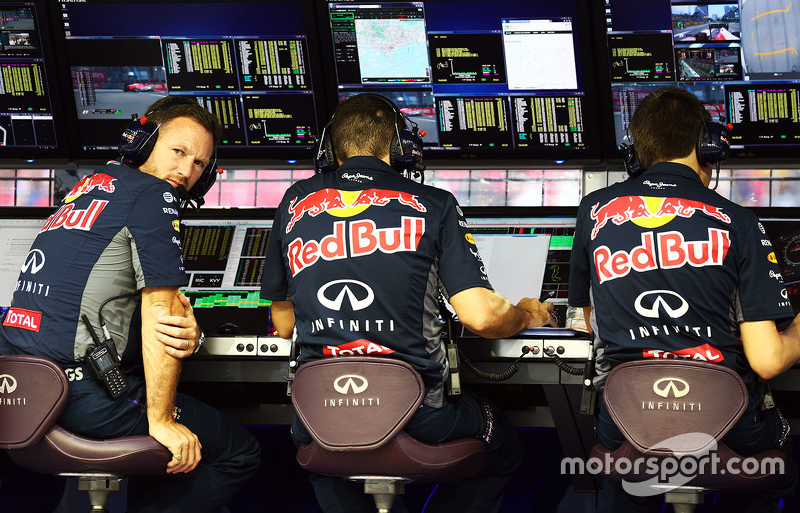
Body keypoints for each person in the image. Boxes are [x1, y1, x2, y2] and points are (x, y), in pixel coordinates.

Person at [260, 93, 555, 513]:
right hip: (420, 414)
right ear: (402, 146)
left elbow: (284, 322)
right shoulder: (433, 203)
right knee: (502, 445)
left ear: (328, 148)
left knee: (330, 458)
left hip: (317, 413)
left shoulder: (294, 202)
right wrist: (527, 314)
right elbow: (481, 317)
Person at [0, 96, 260, 513]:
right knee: (237, 452)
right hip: (80, 398)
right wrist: (162, 422)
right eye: (178, 151)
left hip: (21, 394)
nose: (186, 171)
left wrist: (190, 333)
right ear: (141, 143)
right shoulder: (153, 196)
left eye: (199, 164)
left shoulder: (86, 192)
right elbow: (162, 315)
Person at [568, 87, 800, 512]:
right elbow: (767, 360)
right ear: (706, 146)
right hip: (727, 424)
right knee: (779, 464)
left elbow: (590, 318)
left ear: (634, 152)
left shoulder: (593, 210)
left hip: (624, 419)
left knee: (630, 469)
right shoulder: (739, 221)